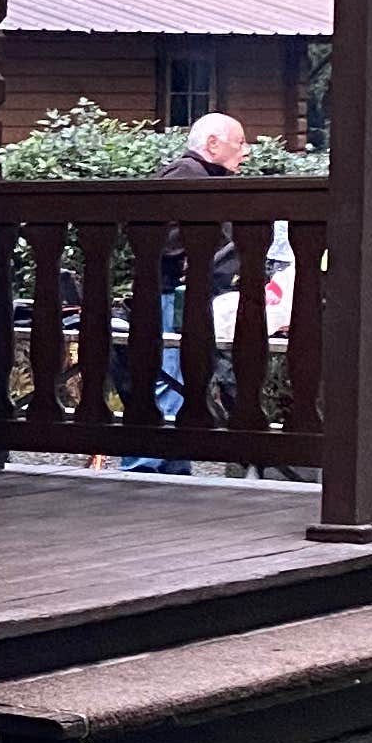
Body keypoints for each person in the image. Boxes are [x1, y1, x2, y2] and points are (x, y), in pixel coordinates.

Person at [122, 111, 247, 472]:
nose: (246, 151)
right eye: (239, 143)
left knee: (179, 379)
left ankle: (174, 466)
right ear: (212, 144)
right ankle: (145, 467)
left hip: (181, 298)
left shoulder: (205, 177)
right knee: (166, 378)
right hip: (167, 297)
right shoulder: (186, 176)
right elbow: (164, 241)